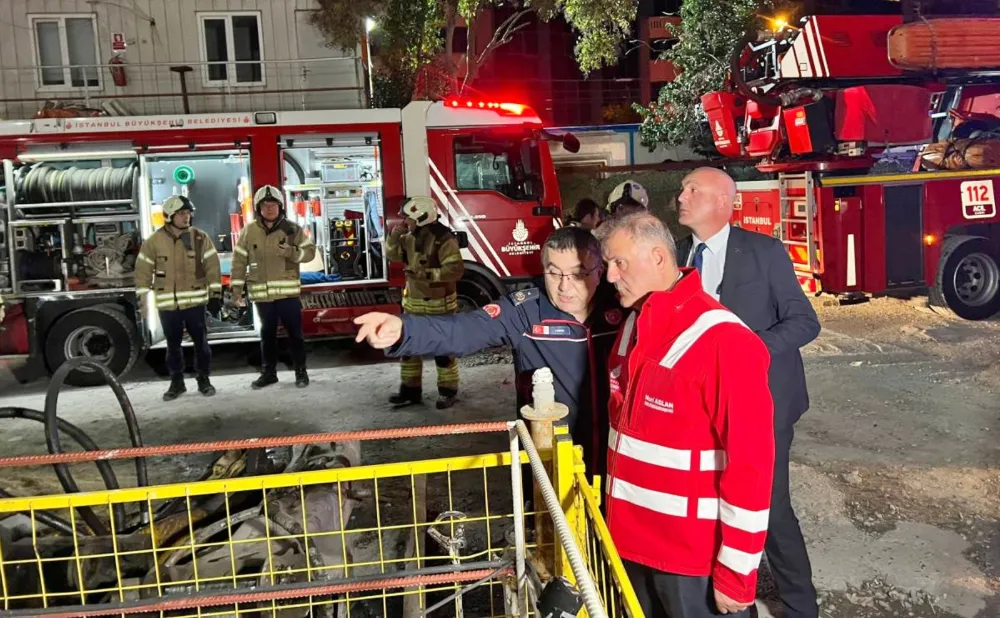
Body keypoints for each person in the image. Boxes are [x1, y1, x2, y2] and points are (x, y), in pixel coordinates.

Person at [596, 212, 774, 618]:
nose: (609, 277)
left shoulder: (724, 341)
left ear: (658, 258)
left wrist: (737, 571)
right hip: (630, 546)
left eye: (619, 263)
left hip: (689, 563)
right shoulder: (632, 326)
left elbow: (753, 466)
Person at [354, 226, 622, 477]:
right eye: (553, 273)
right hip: (548, 456)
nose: (564, 286)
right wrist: (404, 330)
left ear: (600, 271)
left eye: (578, 274)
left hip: (617, 457)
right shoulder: (525, 312)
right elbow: (464, 330)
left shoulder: (623, 309)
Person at [674, 167, 822, 618]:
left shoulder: (764, 252)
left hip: (764, 405)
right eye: (682, 189)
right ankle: (732, 598)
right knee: (712, 507)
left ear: (722, 201)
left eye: (691, 189)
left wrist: (748, 350)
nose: (680, 196)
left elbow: (804, 322)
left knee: (770, 509)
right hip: (703, 407)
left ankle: (801, 607)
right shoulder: (677, 257)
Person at [135, 195, 222, 401]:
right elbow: (143, 271)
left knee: (201, 344)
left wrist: (215, 294)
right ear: (169, 216)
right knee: (172, 346)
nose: (187, 217)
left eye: (188, 213)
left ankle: (204, 380)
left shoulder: (200, 238)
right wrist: (142, 299)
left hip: (195, 302)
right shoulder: (153, 242)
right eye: (182, 214)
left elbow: (212, 266)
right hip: (168, 304)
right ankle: (177, 382)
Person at [382, 196, 465, 410]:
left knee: (443, 351)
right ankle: (410, 392)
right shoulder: (409, 237)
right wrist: (393, 237)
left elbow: (455, 270)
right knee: (409, 350)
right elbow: (391, 255)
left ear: (421, 216)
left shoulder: (444, 238)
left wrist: (425, 274)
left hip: (440, 306)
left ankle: (448, 392)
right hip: (414, 305)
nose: (405, 222)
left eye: (408, 218)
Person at [230, 185, 316, 389]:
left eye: (273, 204)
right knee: (267, 336)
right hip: (263, 297)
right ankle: (269, 373)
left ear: (281, 207)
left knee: (295, 335)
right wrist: (236, 290)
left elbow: (310, 252)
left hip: (287, 295)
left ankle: (301, 372)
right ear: (258, 208)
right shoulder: (249, 231)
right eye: (265, 205)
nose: (269, 209)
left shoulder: (292, 229)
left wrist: (292, 252)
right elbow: (239, 261)